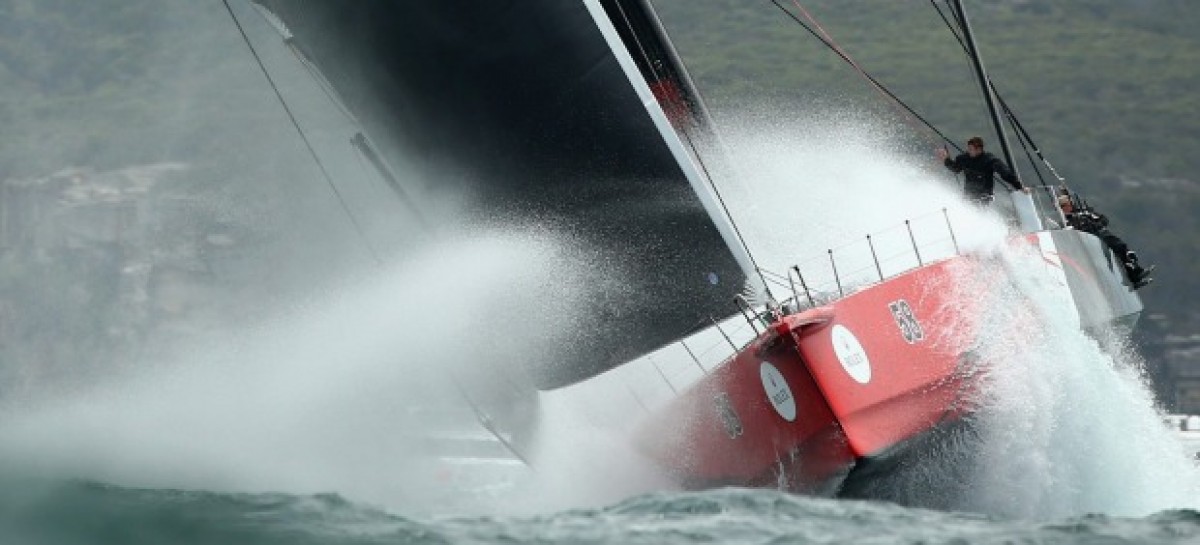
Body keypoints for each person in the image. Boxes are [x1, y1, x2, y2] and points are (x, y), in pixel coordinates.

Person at [1057, 194, 1153, 289]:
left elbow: (1104, 220)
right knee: (1120, 247)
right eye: (1063, 206)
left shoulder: (1084, 213)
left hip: (1100, 236)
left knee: (1123, 249)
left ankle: (1135, 275)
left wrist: (1096, 224)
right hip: (1088, 244)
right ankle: (1135, 275)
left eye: (1067, 204)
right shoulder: (1065, 222)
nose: (1066, 207)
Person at [936, 136, 1030, 204]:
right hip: (969, 197)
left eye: (971, 149)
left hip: (985, 197)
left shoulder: (990, 160)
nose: (968, 151)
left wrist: (1020, 187)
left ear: (979, 149)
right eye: (968, 148)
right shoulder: (963, 158)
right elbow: (956, 169)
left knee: (982, 206)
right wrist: (946, 160)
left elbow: (1005, 174)